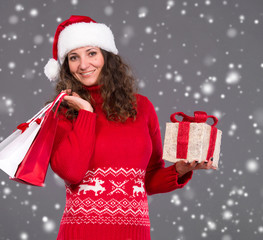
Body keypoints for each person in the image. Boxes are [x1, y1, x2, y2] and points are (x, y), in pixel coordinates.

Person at [44, 15, 216, 240]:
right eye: (74, 57)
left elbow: (149, 179)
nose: (84, 64)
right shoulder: (62, 111)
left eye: (92, 53)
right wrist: (86, 113)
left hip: (135, 234)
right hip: (83, 234)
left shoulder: (141, 107)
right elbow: (71, 173)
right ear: (66, 65)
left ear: (106, 56)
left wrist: (180, 170)